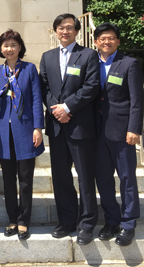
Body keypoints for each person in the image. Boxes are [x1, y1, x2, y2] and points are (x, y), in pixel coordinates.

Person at [39, 13, 100, 245]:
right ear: (55, 31)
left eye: (69, 28)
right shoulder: (48, 56)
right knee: (61, 177)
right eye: (60, 28)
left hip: (80, 126)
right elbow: (43, 85)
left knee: (85, 177)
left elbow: (92, 86)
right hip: (56, 127)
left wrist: (67, 107)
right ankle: (66, 221)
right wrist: (56, 109)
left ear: (76, 31)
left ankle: (86, 224)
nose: (65, 31)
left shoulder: (88, 55)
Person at [94, 23, 143, 246]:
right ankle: (112, 220)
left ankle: (129, 222)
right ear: (95, 42)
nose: (107, 42)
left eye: (111, 38)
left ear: (118, 41)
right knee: (103, 179)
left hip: (122, 132)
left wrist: (134, 129)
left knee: (127, 178)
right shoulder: (90, 62)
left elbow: (136, 100)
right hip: (96, 132)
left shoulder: (129, 64)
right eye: (102, 38)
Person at [0, 29, 45, 240]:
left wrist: (37, 127)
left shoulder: (30, 69)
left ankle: (24, 220)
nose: (9, 49)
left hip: (25, 130)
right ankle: (12, 218)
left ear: (20, 47)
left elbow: (36, 98)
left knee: (25, 178)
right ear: (0, 49)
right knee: (7, 179)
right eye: (6, 45)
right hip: (4, 131)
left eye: (13, 45)